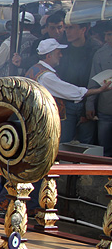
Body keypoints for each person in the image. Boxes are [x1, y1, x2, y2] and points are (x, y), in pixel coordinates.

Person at [25, 39, 109, 124]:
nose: (61, 55)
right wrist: (99, 90)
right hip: (45, 118)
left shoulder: (34, 68)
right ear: (49, 56)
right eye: (58, 53)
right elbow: (72, 91)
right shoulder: (46, 76)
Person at [56, 20, 102, 144]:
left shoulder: (95, 49)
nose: (67, 31)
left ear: (83, 29)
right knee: (63, 142)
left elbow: (94, 79)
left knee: (85, 144)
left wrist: (89, 105)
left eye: (71, 28)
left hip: (87, 101)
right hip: (66, 102)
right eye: (66, 28)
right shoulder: (63, 49)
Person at [87, 23, 112, 156]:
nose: (107, 38)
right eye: (105, 35)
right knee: (104, 149)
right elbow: (94, 81)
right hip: (105, 109)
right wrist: (89, 104)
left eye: (110, 34)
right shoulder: (101, 54)